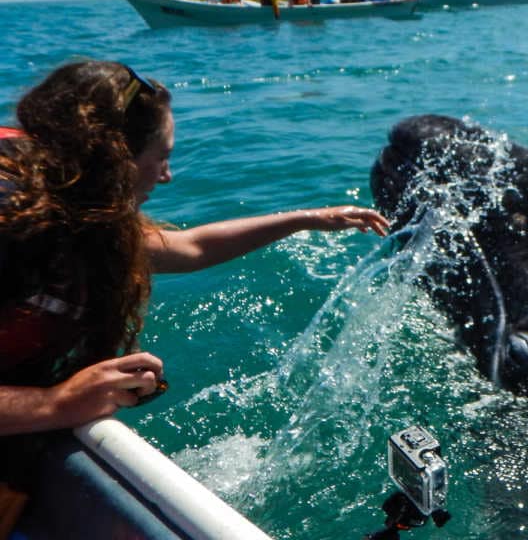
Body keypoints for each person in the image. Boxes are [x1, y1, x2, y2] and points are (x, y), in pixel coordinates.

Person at [1, 60, 388, 494]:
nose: (167, 177)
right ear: (112, 158)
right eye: (161, 157)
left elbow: (189, 249)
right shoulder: (10, 217)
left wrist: (309, 218)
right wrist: (58, 403)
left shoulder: (64, 204)